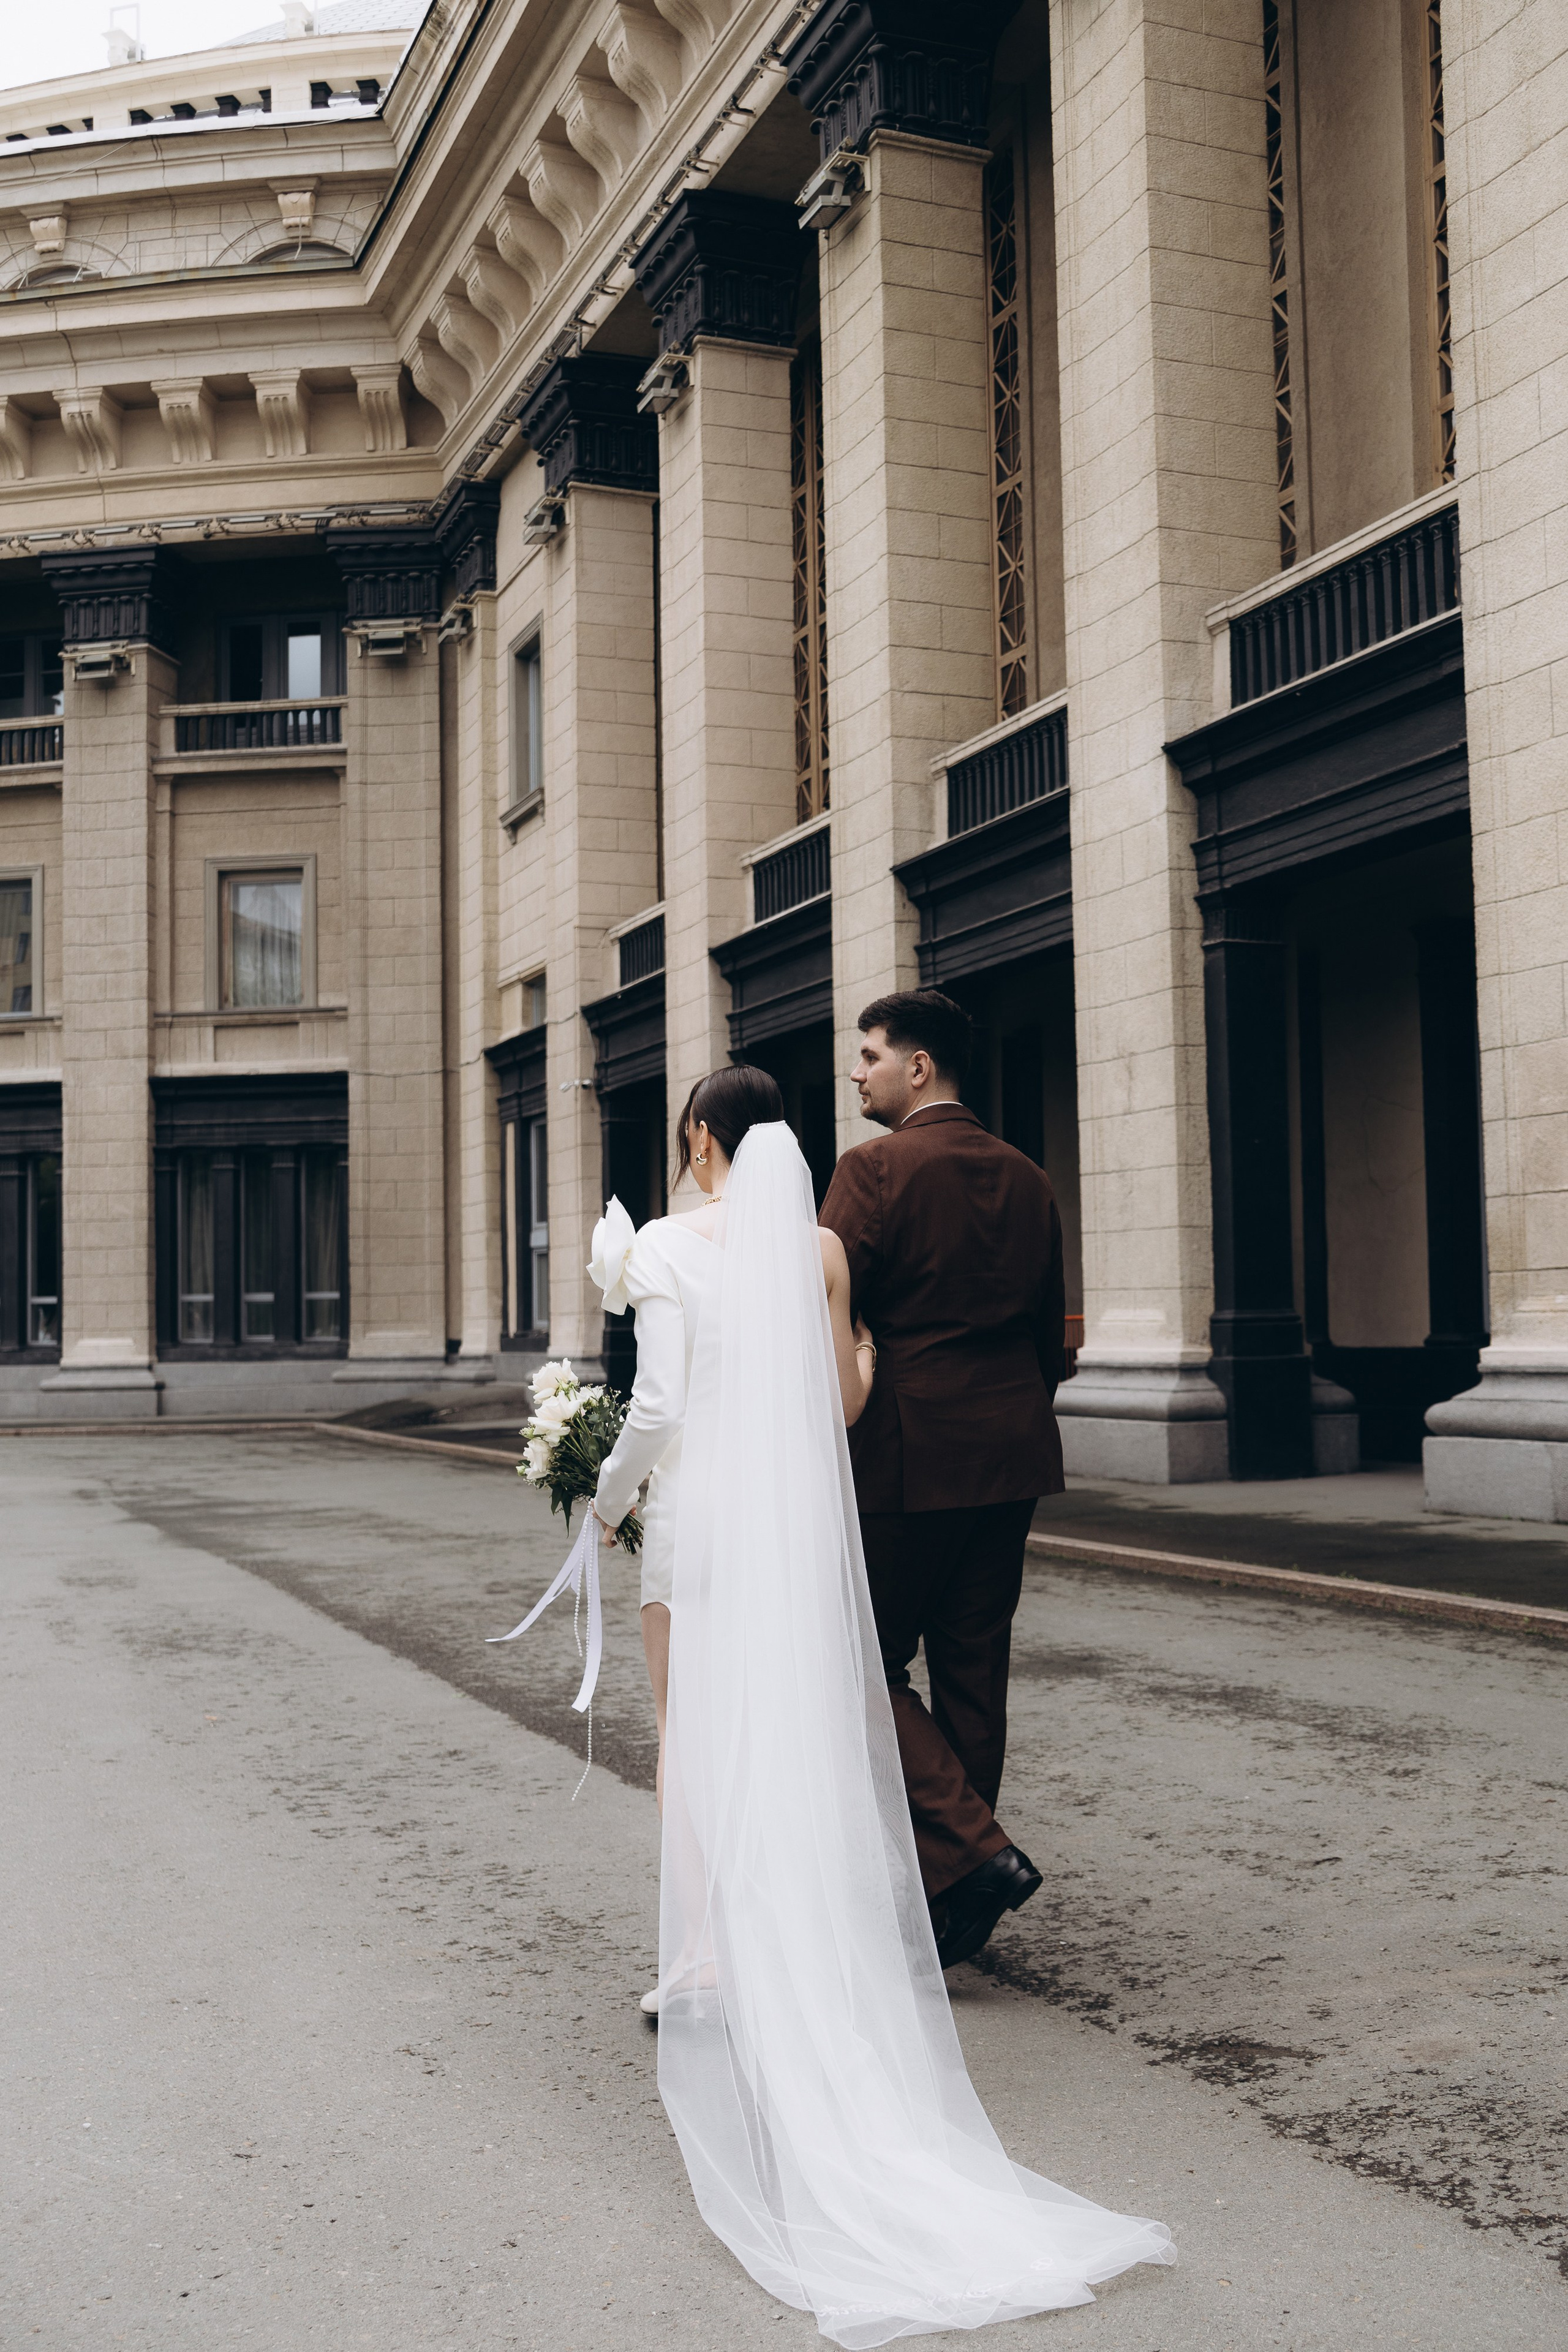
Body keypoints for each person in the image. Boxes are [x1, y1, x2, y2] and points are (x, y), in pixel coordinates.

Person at [585, 1068, 1172, 2345]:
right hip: (799, 1531)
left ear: (698, 1138)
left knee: (693, 1740)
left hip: (698, 1529)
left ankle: (705, 1958)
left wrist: (604, 1496)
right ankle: (814, 1937)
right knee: (806, 1727)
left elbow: (665, 1405)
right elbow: (843, 1401)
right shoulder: (815, 1251)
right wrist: (847, 1350)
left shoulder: (666, 1252)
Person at [819, 989, 1068, 1973]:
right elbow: (1049, 1334)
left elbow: (822, 1323)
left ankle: (976, 1858)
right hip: (1011, 1451)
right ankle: (955, 1899)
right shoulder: (1029, 1177)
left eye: (870, 1055)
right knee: (974, 1668)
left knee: (854, 1663)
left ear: (919, 1068)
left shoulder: (870, 1171)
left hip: (905, 1451)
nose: (857, 1071)